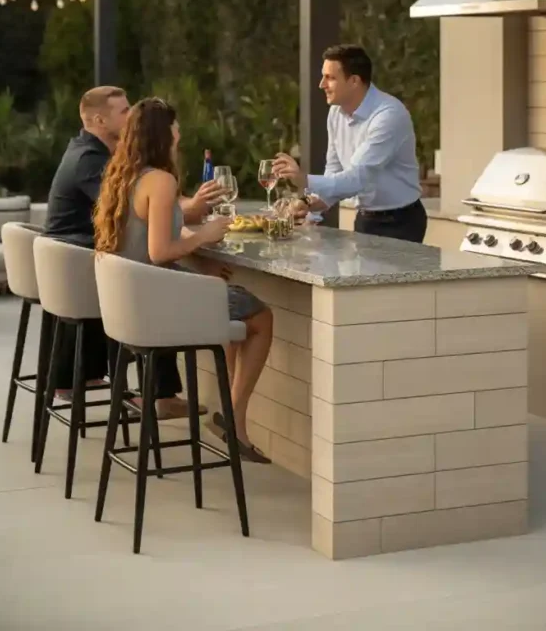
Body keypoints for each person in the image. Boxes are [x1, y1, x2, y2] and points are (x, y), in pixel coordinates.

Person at [94, 97, 274, 462]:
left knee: (227, 303)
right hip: (158, 304)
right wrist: (206, 236)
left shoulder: (124, 174)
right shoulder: (160, 180)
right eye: (175, 127)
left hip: (131, 303)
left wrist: (200, 266)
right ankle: (232, 417)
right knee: (261, 317)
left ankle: (226, 412)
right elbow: (159, 251)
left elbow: (147, 246)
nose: (180, 133)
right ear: (165, 134)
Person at [44, 86, 221, 416]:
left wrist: (181, 216)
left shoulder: (110, 160)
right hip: (81, 270)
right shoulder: (90, 160)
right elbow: (145, 217)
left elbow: (145, 217)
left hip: (99, 267)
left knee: (153, 274)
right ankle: (161, 395)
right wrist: (193, 220)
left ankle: (160, 393)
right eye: (124, 111)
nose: (131, 116)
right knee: (154, 275)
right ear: (99, 119)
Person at [274, 44, 427, 244]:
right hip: (365, 218)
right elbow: (334, 171)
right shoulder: (336, 112)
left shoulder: (389, 115)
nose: (321, 84)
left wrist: (303, 179)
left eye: (330, 78)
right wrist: (309, 206)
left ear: (354, 80)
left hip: (400, 223)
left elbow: (356, 179)